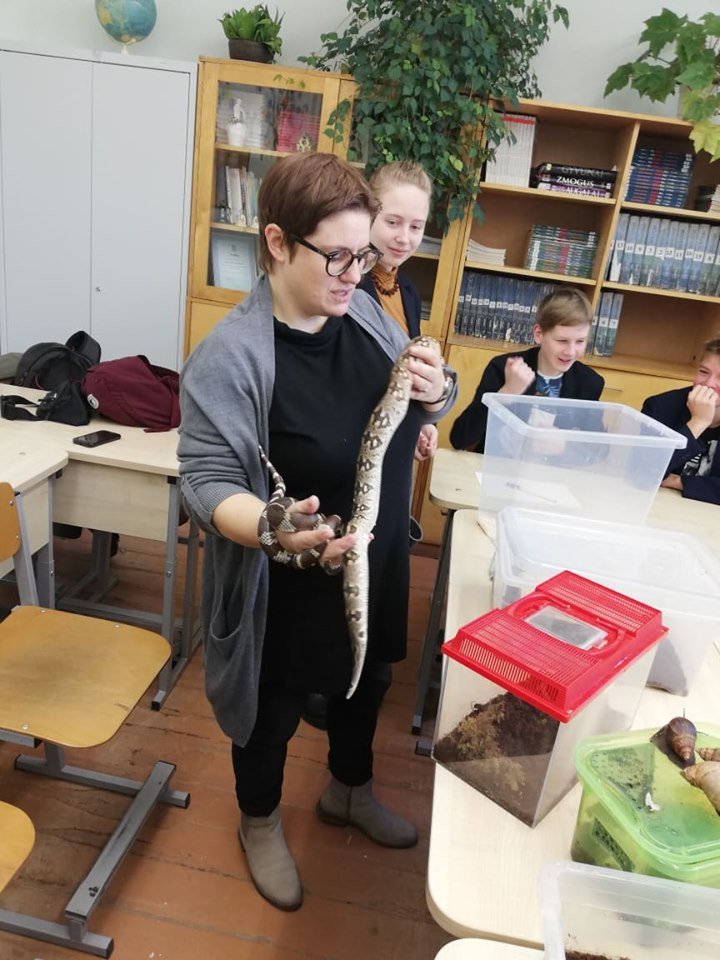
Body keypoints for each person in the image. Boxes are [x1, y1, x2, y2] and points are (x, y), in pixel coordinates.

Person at [177, 151, 457, 912]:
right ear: (276, 241)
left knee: (367, 681)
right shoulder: (231, 357)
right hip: (283, 577)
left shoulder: (359, 307)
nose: (356, 273)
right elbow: (205, 483)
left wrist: (438, 390)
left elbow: (420, 397)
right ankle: (260, 820)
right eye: (338, 256)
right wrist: (275, 530)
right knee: (272, 707)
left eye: (364, 255)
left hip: (374, 553)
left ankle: (348, 790)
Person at [302, 159, 437, 731]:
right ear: (366, 216)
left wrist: (424, 415)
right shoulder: (340, 287)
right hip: (345, 472)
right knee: (334, 614)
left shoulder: (406, 290)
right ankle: (330, 712)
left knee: (375, 620)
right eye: (393, 221)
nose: (404, 237)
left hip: (389, 474)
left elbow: (404, 378)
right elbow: (342, 386)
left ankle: (349, 738)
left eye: (417, 226)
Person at [449, 287, 605, 453]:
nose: (571, 352)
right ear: (538, 334)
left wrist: (565, 446)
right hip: (498, 464)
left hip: (549, 468)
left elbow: (598, 450)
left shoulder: (589, 383)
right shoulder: (502, 368)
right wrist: (505, 394)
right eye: (562, 341)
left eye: (580, 341)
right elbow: (459, 439)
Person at [641, 336, 720, 504]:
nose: (709, 384)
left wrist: (678, 482)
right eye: (703, 372)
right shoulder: (660, 407)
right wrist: (698, 422)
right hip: (660, 505)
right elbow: (642, 474)